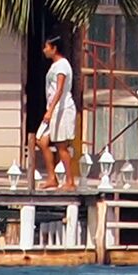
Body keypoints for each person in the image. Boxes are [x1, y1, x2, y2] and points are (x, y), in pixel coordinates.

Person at [37, 39, 78, 187]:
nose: (44, 50)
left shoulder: (62, 65)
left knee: (61, 146)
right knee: (41, 141)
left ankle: (70, 181)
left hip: (62, 109)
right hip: (53, 110)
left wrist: (50, 110)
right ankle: (52, 178)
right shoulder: (54, 65)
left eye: (46, 47)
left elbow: (60, 90)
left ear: (54, 49)